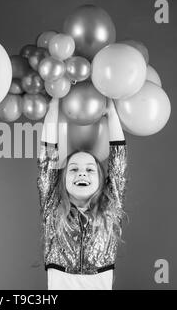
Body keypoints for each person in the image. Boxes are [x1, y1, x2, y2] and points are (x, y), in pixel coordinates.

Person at [38, 99, 127, 290]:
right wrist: (53, 107)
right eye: (74, 169)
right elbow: (46, 157)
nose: (82, 173)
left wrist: (111, 113)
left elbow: (118, 160)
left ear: (101, 180)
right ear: (62, 179)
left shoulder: (110, 208)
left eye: (90, 169)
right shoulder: (52, 207)